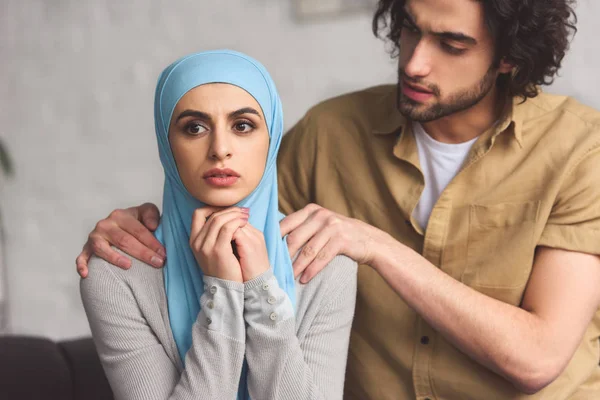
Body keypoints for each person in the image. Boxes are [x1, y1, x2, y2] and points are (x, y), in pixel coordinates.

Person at [78, 0, 600, 398]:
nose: (414, 62)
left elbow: (537, 357)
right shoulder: (329, 134)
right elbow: (230, 194)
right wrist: (131, 226)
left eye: (452, 44)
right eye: (411, 28)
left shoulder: (580, 152)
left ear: (510, 56)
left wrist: (375, 247)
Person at [80, 49, 357, 400]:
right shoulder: (117, 275)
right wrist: (222, 290)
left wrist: (260, 288)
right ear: (167, 145)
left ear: (270, 138)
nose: (220, 149)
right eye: (194, 128)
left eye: (242, 126)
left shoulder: (325, 263)